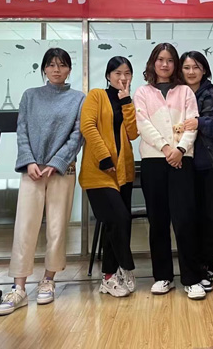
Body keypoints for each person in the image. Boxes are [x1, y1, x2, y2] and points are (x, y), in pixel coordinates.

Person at [0, 48, 85, 316]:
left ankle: (48, 280)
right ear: (44, 68)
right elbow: (22, 130)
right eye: (52, 65)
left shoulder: (78, 99)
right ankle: (19, 287)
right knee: (25, 227)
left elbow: (77, 135)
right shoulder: (30, 96)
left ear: (69, 70)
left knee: (57, 228)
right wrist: (29, 161)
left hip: (61, 171)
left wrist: (57, 162)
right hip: (32, 170)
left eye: (62, 65)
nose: (57, 70)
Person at [133, 43, 207, 300]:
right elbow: (143, 125)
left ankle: (192, 278)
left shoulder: (185, 91)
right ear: (153, 63)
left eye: (170, 60)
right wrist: (167, 149)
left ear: (175, 64)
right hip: (154, 161)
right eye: (160, 59)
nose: (165, 64)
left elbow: (192, 124)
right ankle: (162, 277)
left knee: (185, 220)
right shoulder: (142, 92)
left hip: (182, 160)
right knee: (158, 221)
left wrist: (180, 150)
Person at [79, 56, 138, 297]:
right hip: (99, 171)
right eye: (117, 73)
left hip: (123, 172)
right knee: (119, 218)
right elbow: (87, 126)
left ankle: (109, 277)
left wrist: (127, 102)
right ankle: (126, 267)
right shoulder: (96, 95)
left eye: (127, 73)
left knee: (115, 224)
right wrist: (104, 157)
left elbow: (133, 133)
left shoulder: (127, 100)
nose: (122, 78)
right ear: (108, 76)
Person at [180, 51, 213, 292]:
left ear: (204, 70)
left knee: (211, 219)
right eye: (186, 67)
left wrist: (199, 122)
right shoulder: (176, 94)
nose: (191, 72)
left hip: (212, 166)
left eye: (196, 67)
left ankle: (206, 266)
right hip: (182, 166)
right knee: (187, 219)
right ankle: (191, 268)